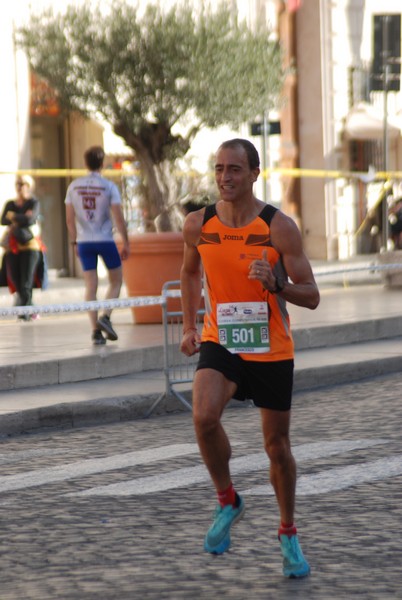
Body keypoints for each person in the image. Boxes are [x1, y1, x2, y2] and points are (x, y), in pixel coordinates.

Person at [180, 139, 320, 578]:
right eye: (219, 168)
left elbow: (312, 296)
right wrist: (188, 325)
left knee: (277, 449)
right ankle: (228, 500)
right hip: (221, 339)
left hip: (270, 348)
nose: (225, 177)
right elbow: (188, 272)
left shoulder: (279, 227)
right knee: (203, 417)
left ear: (255, 173)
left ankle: (288, 532)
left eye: (235, 169)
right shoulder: (197, 224)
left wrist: (278, 284)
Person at [65, 146, 130, 345]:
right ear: (103, 164)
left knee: (90, 286)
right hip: (105, 239)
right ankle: (106, 316)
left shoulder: (73, 187)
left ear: (85, 163)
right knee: (116, 280)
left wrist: (74, 240)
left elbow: (69, 218)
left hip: (84, 241)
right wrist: (126, 241)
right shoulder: (109, 186)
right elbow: (118, 217)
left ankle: (95, 331)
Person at [1, 175, 43, 320]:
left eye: (23, 183)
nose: (20, 187)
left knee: (27, 281)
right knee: (16, 281)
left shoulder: (33, 202)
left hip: (30, 246)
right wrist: (21, 217)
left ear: (29, 185)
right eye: (18, 184)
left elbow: (31, 219)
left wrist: (14, 217)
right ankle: (29, 309)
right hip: (13, 247)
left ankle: (25, 313)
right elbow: (3, 219)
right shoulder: (10, 203)